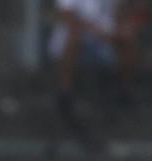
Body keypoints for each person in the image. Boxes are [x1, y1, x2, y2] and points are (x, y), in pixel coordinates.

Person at [49, 0, 137, 140]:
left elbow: (120, 12)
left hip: (101, 36)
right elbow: (67, 16)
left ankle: (124, 90)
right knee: (73, 38)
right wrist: (95, 30)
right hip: (77, 34)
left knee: (127, 37)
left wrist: (120, 28)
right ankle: (65, 92)